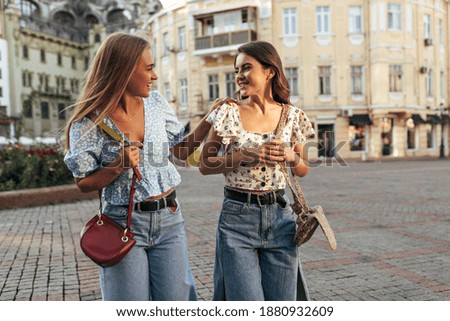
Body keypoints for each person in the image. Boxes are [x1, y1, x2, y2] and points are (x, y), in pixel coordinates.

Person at [64, 32, 223, 301]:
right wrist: (117, 166)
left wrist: (208, 120)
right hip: (123, 225)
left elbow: (180, 151)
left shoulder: (156, 102)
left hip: (170, 219)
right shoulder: (90, 120)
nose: (155, 76)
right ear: (124, 70)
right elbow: (83, 182)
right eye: (149, 68)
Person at [199, 41, 315, 301]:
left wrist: (290, 155)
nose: (239, 76)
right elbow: (205, 165)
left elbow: (304, 168)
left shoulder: (293, 115)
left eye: (246, 68)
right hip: (237, 218)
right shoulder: (228, 112)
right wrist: (247, 155)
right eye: (237, 70)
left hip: (281, 218)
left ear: (269, 71)